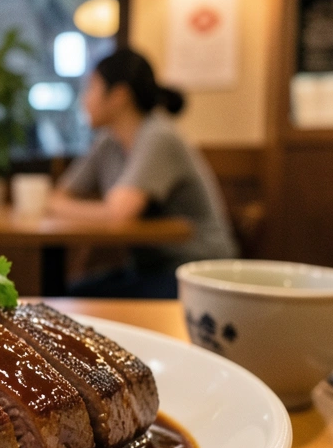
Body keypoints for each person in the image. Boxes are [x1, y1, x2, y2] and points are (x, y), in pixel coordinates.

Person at [48, 48, 237, 298]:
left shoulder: (157, 136)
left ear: (119, 96)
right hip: (151, 268)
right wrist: (60, 204)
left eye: (92, 88)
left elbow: (120, 214)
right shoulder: (109, 141)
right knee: (66, 295)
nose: (84, 99)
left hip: (198, 273)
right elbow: (61, 193)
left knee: (70, 299)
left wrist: (59, 206)